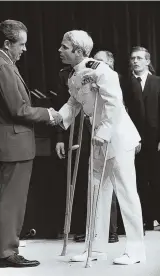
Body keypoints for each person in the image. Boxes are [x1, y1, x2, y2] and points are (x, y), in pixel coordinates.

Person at [58, 30, 145, 265]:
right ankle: (94, 248)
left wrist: (104, 131)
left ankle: (136, 251)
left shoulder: (101, 70)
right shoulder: (74, 75)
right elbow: (74, 101)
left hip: (116, 136)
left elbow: (115, 102)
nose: (60, 50)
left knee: (126, 194)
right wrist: (59, 117)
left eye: (65, 47)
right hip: (98, 139)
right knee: (96, 193)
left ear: (78, 51)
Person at [0, 19, 61, 268]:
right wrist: (48, 113)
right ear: (7, 43)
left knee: (6, 197)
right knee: (12, 200)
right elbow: (18, 109)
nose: (24, 49)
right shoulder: (1, 66)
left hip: (7, 140)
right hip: (14, 141)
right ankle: (6, 252)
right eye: (21, 44)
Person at [125, 46, 160, 230]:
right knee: (138, 179)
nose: (135, 61)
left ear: (148, 61)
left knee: (157, 177)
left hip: (155, 139)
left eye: (139, 58)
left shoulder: (157, 82)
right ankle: (145, 219)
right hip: (134, 140)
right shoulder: (126, 84)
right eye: (133, 58)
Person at [55, 65, 91, 241]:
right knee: (78, 182)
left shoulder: (97, 71)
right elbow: (66, 103)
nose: (60, 51)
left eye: (65, 47)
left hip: (99, 132)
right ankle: (78, 226)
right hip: (75, 133)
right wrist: (59, 135)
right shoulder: (65, 76)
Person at [94, 50, 119, 243]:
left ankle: (112, 231)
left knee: (117, 188)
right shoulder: (92, 80)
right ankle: (97, 235)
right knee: (99, 187)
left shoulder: (113, 78)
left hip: (115, 138)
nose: (95, 63)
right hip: (96, 139)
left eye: (100, 61)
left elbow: (117, 108)